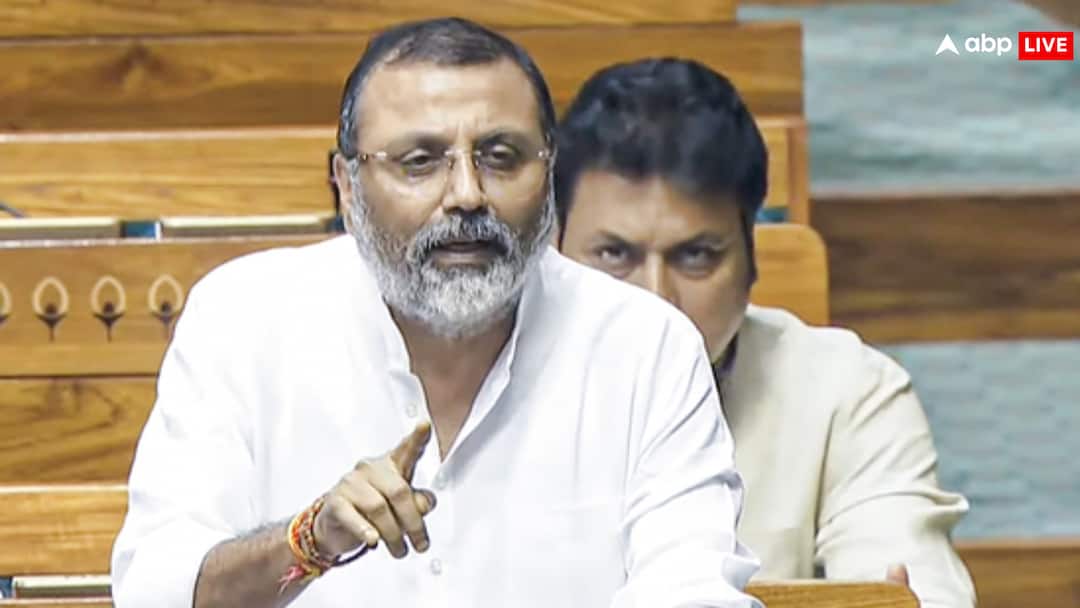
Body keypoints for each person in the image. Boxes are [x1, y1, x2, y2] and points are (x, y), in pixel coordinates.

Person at [110, 19, 763, 608]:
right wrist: (309, 542)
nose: (467, 195)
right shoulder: (244, 320)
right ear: (347, 186)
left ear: (549, 173)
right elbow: (158, 593)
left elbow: (692, 590)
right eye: (420, 162)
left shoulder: (646, 345)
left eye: (501, 157)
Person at [555, 58, 977, 608]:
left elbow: (914, 586)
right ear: (552, 252)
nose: (656, 302)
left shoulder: (847, 393)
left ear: (751, 260)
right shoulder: (475, 383)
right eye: (614, 254)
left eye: (696, 256)